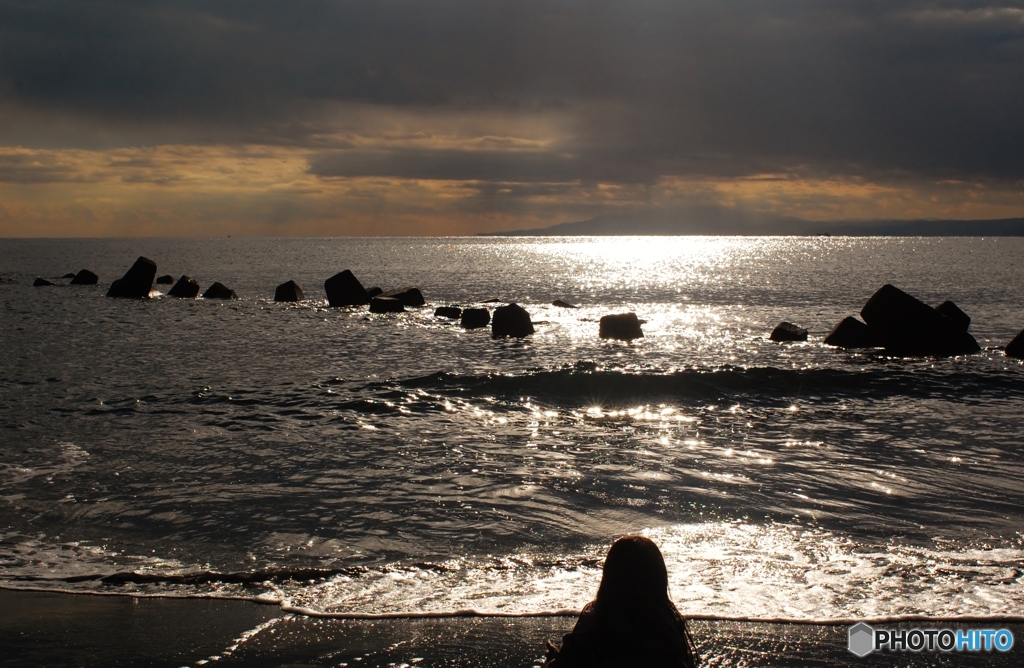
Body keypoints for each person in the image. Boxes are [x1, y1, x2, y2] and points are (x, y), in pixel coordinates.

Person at [544, 535, 698, 667]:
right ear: (658, 579)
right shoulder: (668, 627)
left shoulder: (597, 624)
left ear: (610, 578)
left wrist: (554, 659)